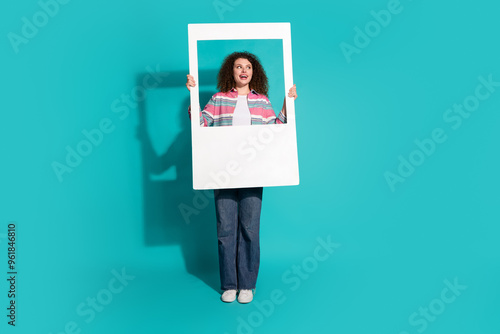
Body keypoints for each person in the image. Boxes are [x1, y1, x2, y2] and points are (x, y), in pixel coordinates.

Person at [186, 51, 297, 303]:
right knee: (225, 229)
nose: (243, 70)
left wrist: (286, 104)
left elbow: (276, 130)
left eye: (248, 66)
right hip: (223, 172)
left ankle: (247, 285)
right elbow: (201, 125)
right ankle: (229, 284)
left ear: (253, 71)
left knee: (249, 227)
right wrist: (192, 95)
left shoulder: (262, 101)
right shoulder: (218, 98)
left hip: (253, 172)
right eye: (238, 66)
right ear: (231, 71)